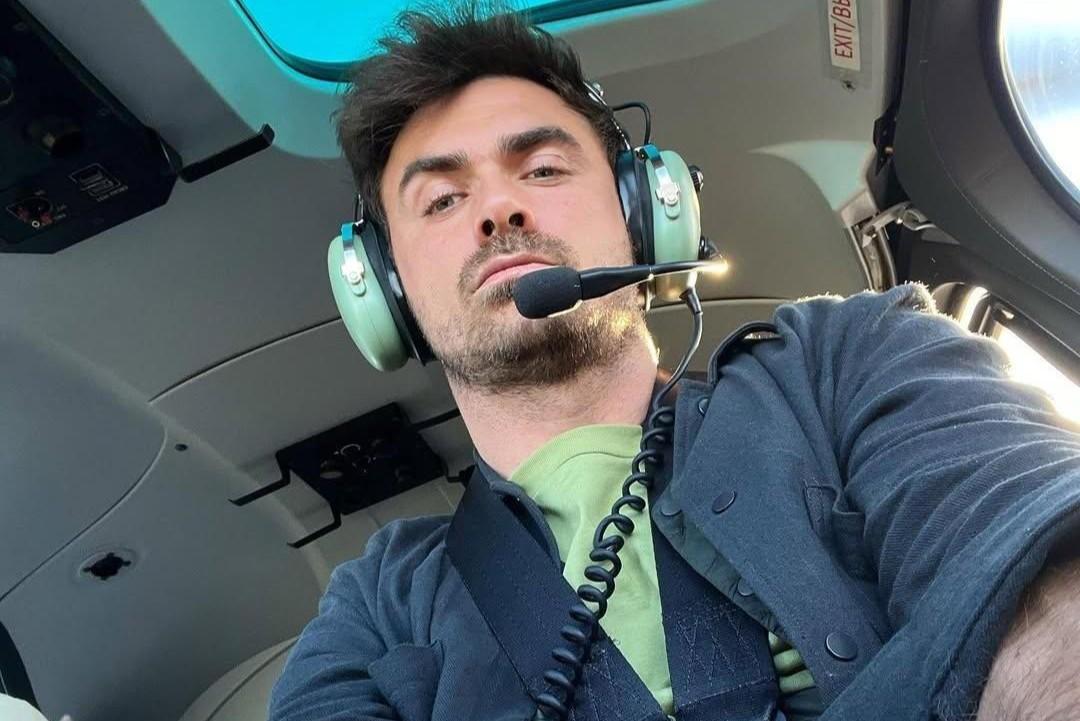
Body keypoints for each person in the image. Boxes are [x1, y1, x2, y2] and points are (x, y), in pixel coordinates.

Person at [269, 4, 1080, 720]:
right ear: (385, 290)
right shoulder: (378, 602)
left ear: (645, 215)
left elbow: (1034, 569)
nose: (498, 208)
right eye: (443, 199)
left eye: (542, 168)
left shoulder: (848, 360)